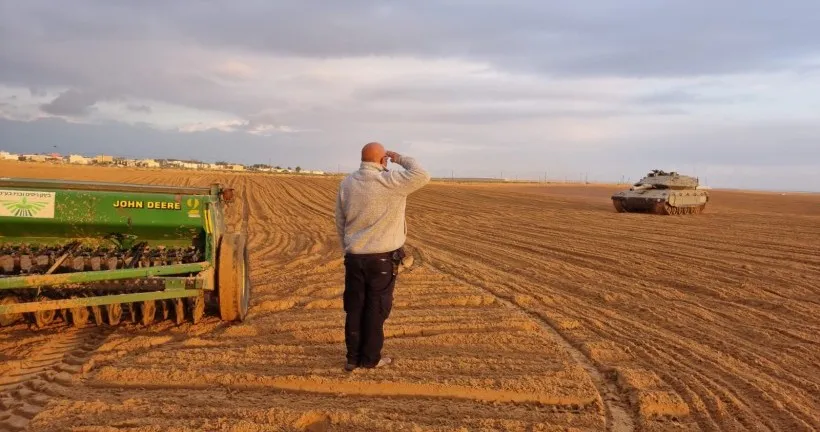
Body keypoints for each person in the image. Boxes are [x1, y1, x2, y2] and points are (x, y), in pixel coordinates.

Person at [335, 142, 431, 371]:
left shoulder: (347, 183)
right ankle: (370, 360)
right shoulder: (390, 182)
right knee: (376, 309)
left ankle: (352, 358)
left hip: (355, 258)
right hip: (381, 261)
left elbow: (340, 220)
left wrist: (347, 248)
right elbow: (422, 174)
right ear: (382, 160)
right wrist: (399, 158)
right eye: (385, 158)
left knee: (355, 308)